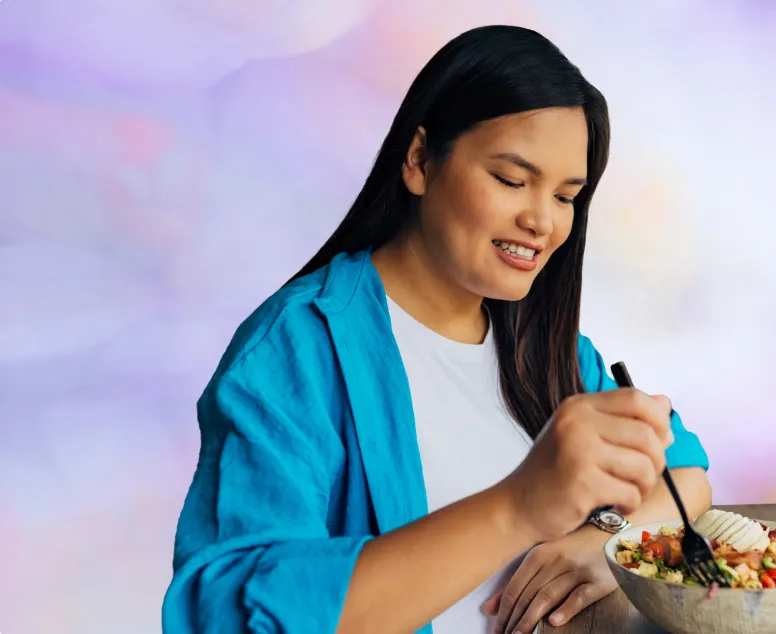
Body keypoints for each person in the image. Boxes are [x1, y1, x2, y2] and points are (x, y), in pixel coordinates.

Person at [162, 24, 711, 634]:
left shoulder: (547, 350)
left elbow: (683, 476)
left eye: (566, 196)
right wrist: (519, 507)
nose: (541, 221)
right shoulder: (296, 351)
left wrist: (607, 544)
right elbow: (234, 612)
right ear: (420, 160)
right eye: (511, 180)